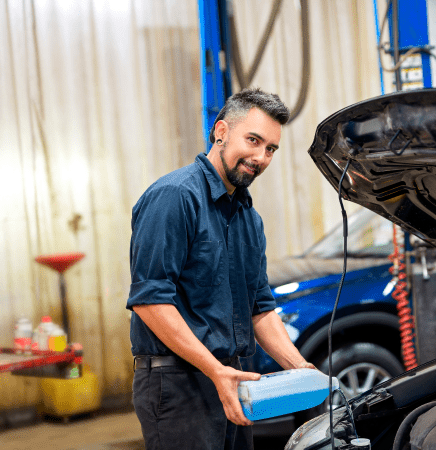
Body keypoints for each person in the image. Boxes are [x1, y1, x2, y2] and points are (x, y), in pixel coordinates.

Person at [126, 87, 315, 450]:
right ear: (221, 131)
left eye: (271, 148)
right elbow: (150, 301)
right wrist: (215, 370)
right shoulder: (175, 197)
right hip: (179, 383)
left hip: (233, 378)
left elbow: (260, 306)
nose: (260, 157)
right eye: (253, 140)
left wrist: (300, 366)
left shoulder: (248, 216)